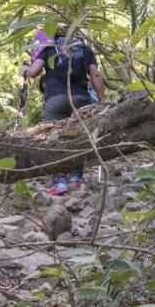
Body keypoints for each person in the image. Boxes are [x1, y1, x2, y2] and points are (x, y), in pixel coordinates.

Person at [25, 27, 105, 195]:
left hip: (55, 99)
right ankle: (76, 180)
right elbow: (95, 75)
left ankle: (60, 182)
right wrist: (102, 100)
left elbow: (34, 72)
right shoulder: (84, 49)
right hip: (81, 99)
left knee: (53, 140)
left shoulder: (48, 49)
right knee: (79, 138)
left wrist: (24, 71)